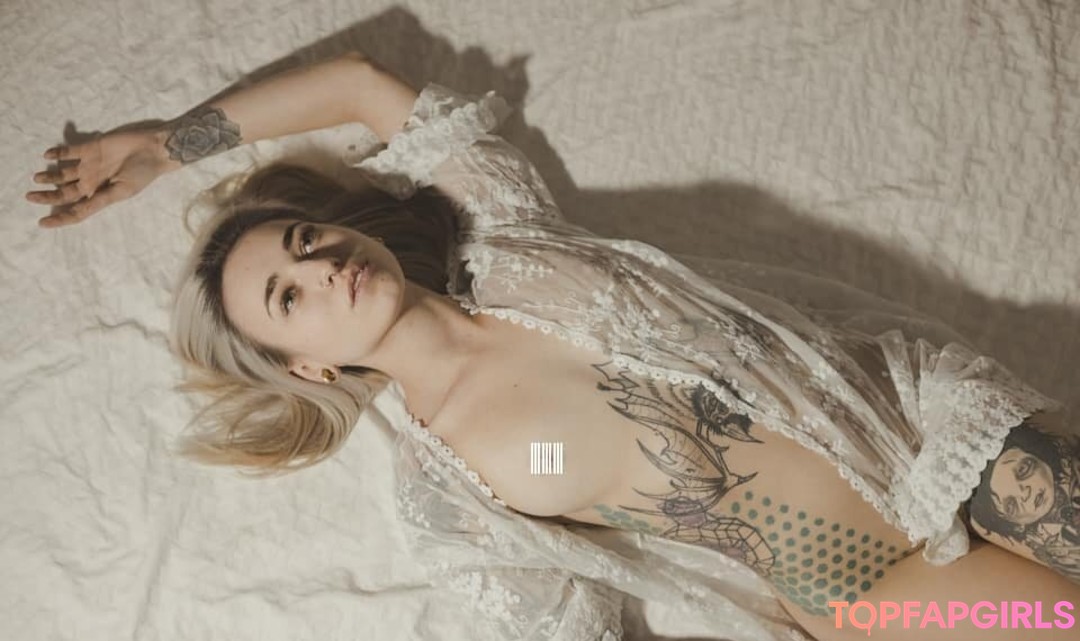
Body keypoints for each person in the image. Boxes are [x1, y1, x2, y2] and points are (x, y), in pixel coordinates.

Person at [25, 51, 1080, 640]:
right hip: (867, 586)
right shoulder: (453, 497)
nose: (323, 266)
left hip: (927, 435)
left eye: (308, 240)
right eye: (288, 296)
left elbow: (355, 83)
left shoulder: (503, 233)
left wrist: (167, 143)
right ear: (310, 367)